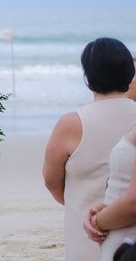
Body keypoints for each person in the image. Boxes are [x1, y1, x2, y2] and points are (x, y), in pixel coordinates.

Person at [43, 38, 136, 261]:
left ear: (87, 79)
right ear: (130, 73)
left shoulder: (71, 123)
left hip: (85, 230)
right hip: (130, 237)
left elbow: (51, 180)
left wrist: (76, 203)